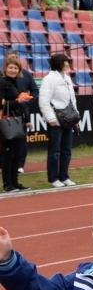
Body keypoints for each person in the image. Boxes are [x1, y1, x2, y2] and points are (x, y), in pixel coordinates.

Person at [39, 53, 79, 188]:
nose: (68, 64)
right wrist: (51, 118)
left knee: (66, 149)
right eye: (66, 62)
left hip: (68, 118)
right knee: (55, 150)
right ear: (60, 63)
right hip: (56, 120)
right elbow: (43, 101)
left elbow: (72, 99)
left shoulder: (67, 78)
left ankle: (64, 176)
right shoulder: (48, 79)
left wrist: (76, 116)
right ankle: (53, 178)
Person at [0, 57, 32, 192]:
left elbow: (22, 104)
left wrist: (28, 119)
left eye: (15, 68)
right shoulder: (2, 82)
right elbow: (1, 102)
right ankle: (7, 184)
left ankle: (15, 182)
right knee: (8, 154)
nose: (13, 70)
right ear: (5, 68)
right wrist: (16, 102)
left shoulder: (16, 83)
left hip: (18, 121)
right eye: (11, 67)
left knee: (18, 153)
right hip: (7, 121)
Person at [10, 49, 38, 175]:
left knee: (21, 140)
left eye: (16, 57)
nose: (14, 60)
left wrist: (27, 102)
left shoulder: (26, 74)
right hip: (5, 114)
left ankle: (20, 165)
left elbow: (35, 91)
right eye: (11, 58)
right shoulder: (2, 76)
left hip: (22, 113)